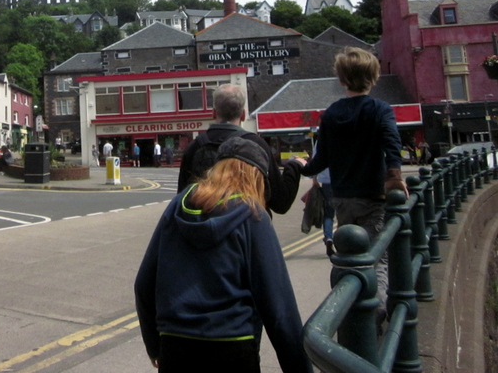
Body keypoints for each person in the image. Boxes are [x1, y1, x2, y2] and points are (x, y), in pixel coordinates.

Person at [134, 136, 312, 373]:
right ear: (256, 177)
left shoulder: (178, 205)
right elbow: (279, 307)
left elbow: (143, 283)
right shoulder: (252, 216)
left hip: (175, 347)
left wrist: (155, 347)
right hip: (232, 348)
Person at [300, 47, 407, 327]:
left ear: (342, 78)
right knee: (377, 259)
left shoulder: (332, 114)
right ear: (373, 76)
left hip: (343, 198)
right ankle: (375, 314)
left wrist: (300, 167)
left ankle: (350, 312)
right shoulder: (380, 109)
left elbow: (320, 160)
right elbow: (392, 143)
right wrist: (394, 175)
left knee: (349, 259)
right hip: (374, 196)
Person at [177, 83, 301, 215]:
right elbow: (281, 203)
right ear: (243, 114)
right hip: (248, 228)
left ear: (214, 113)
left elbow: (182, 199)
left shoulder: (195, 147)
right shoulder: (256, 144)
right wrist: (295, 166)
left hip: (203, 230)